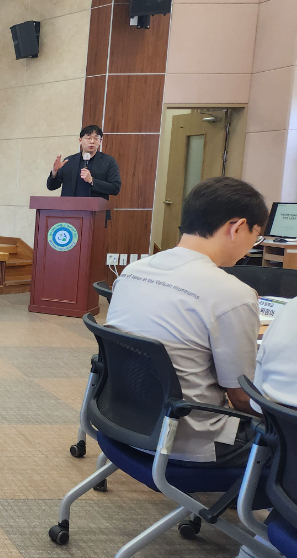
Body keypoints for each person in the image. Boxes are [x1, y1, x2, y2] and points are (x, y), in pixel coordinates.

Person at [105, 177, 268, 466]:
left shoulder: (132, 271)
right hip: (187, 442)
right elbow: (243, 398)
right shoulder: (233, 294)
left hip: (121, 422)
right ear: (238, 227)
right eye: (256, 236)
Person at [47, 125, 121, 200]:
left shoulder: (108, 161)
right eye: (88, 138)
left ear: (100, 141)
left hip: (95, 207)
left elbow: (115, 188)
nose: (92, 141)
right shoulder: (69, 161)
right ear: (80, 140)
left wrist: (92, 180)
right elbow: (51, 186)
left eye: (96, 138)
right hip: (69, 206)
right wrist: (54, 172)